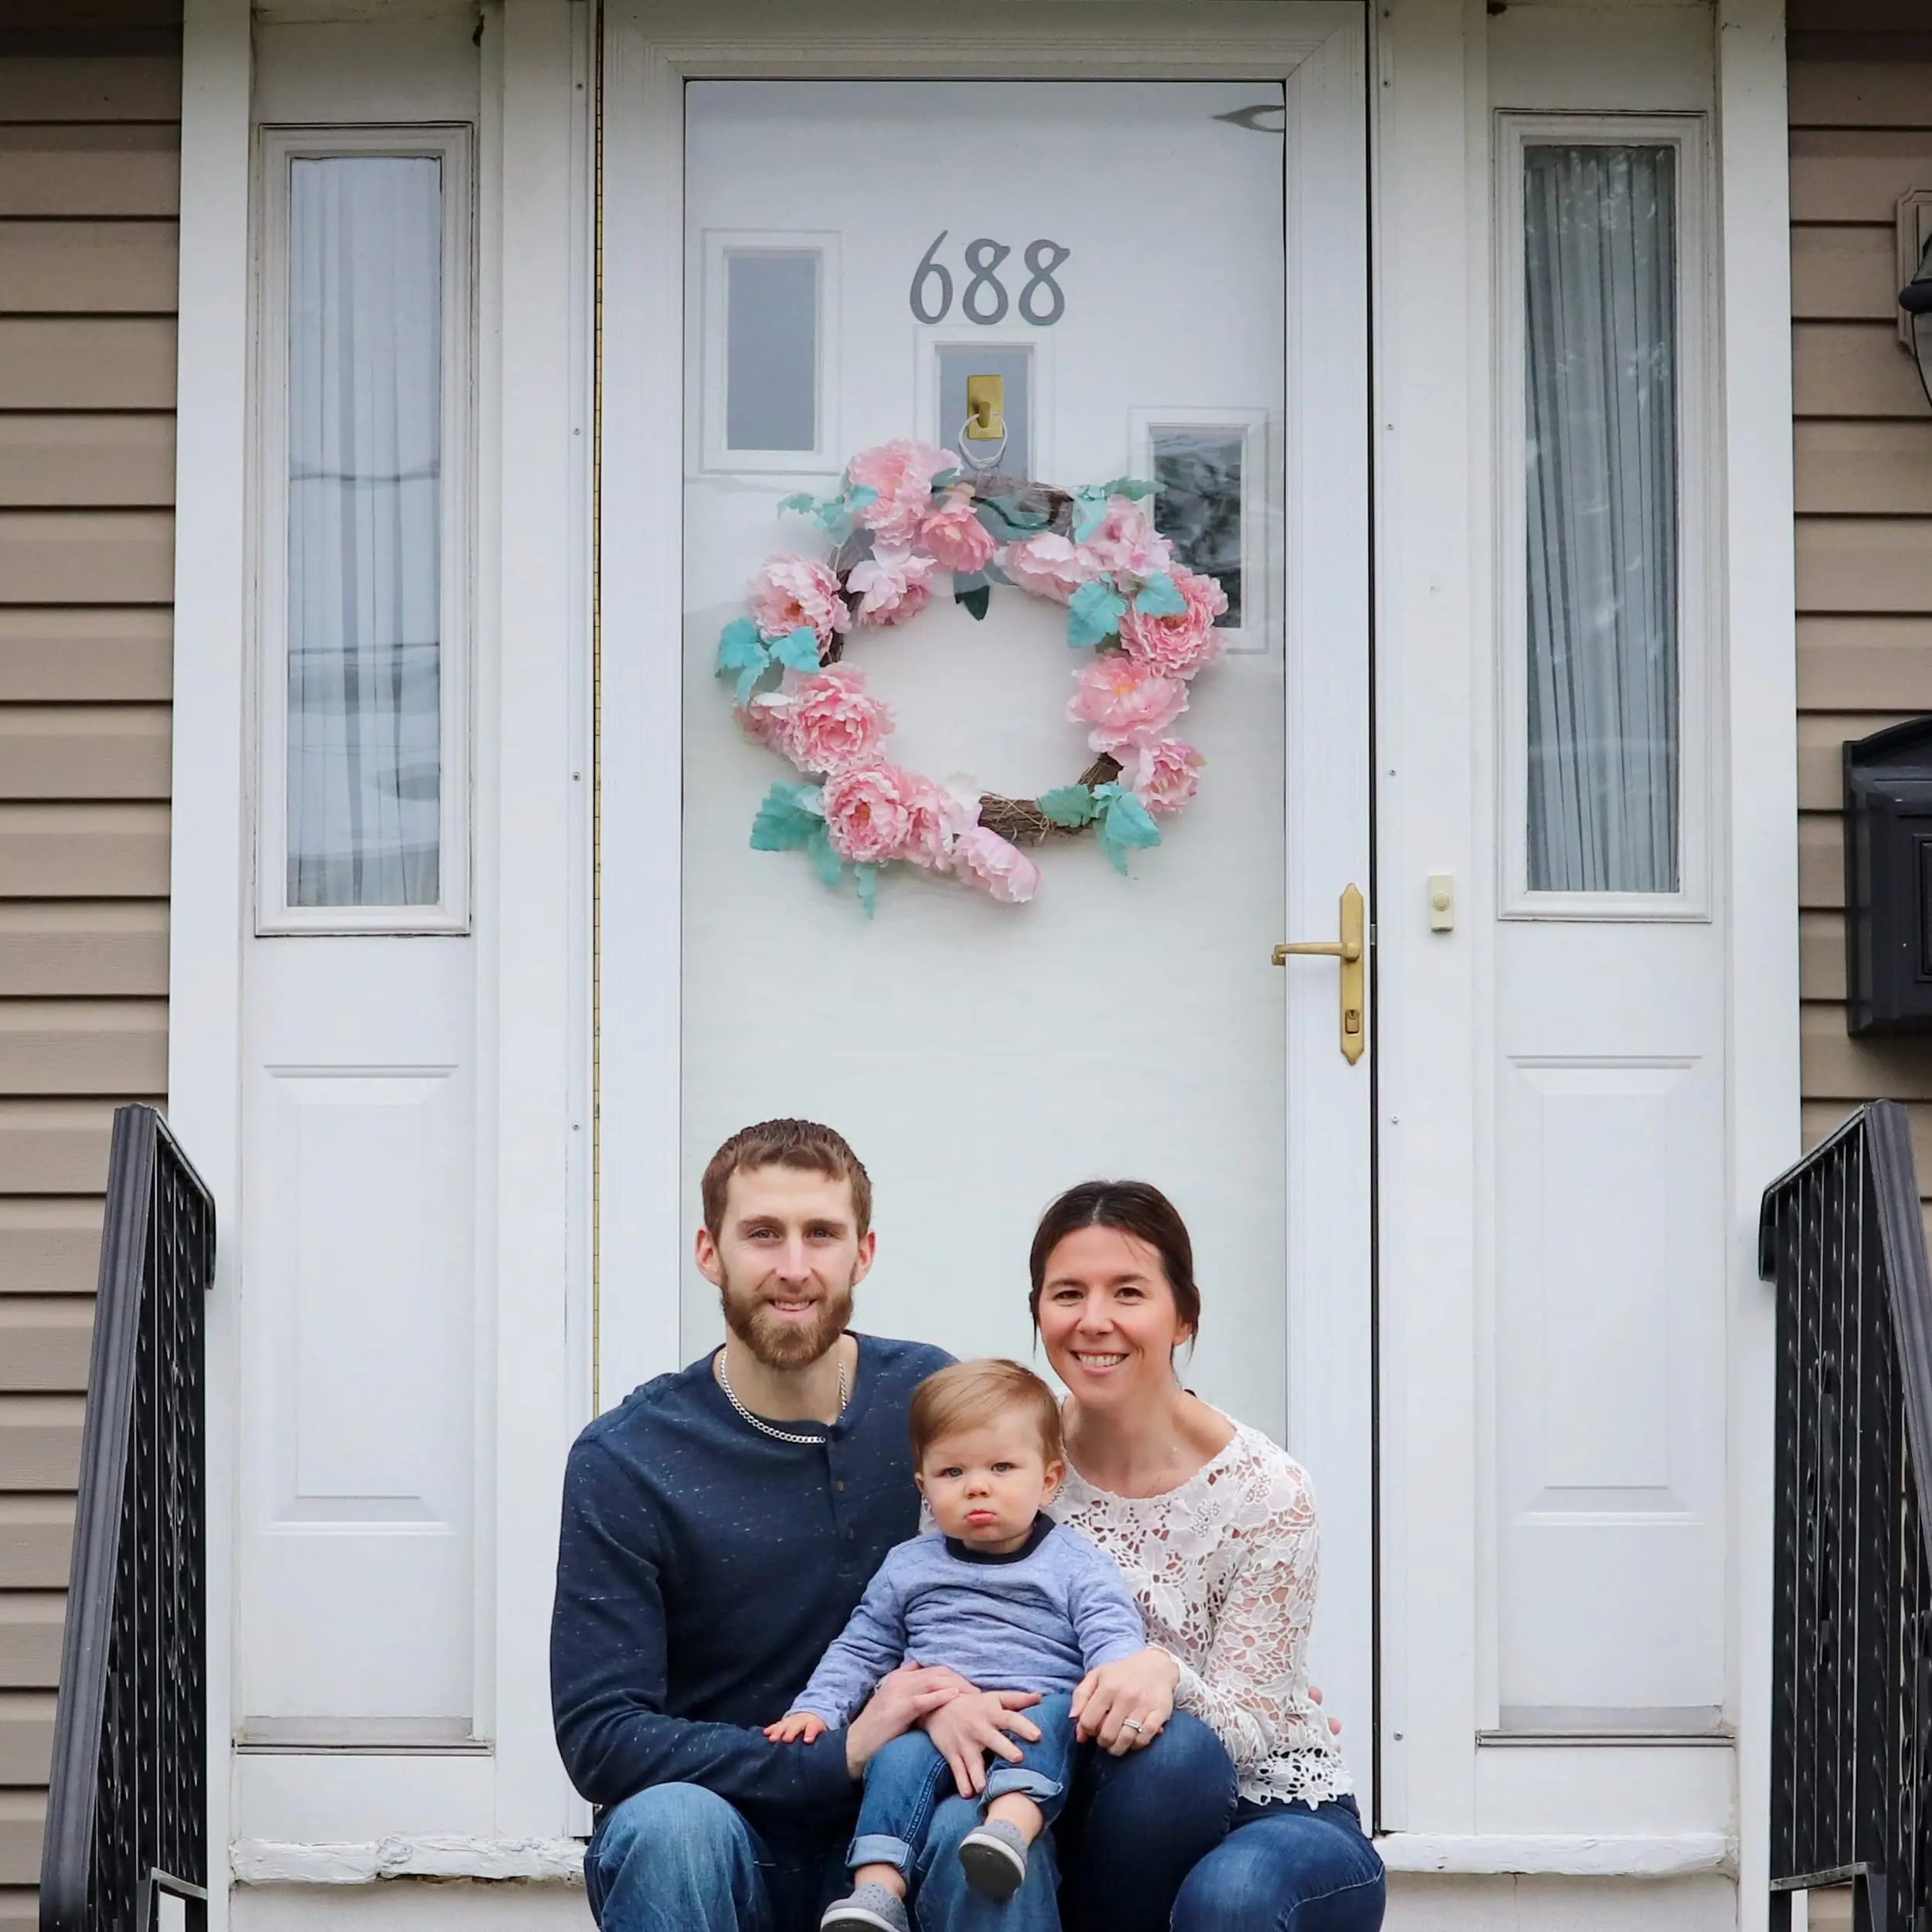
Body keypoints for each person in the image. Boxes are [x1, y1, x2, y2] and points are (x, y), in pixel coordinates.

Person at [549, 1121, 1236, 1932]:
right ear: (709, 1252)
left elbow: (1068, 1519)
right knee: (667, 1826)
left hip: (919, 1823)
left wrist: (1225, 1662)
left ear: (863, 1254)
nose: (795, 1267)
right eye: (763, 1234)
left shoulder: (928, 1399)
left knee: (967, 1831)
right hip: (727, 1837)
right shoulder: (628, 1458)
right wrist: (836, 1751)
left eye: (822, 1235)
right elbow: (602, 1736)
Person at [1032, 1179, 1386, 1932]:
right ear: (1038, 1309)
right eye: (1067, 1293)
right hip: (1084, 1807)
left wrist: (1166, 1675)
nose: (1094, 1320)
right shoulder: (1003, 1471)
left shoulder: (1265, 1490)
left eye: (1128, 1291)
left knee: (1222, 1872)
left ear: (1182, 1315)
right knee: (1159, 1766)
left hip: (1275, 1811)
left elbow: (1248, 1731)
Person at [768, 1360, 1145, 1932]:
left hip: (1031, 1711)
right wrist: (817, 1708)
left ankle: (1007, 1833)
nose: (977, 1486)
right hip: (932, 1725)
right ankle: (876, 1892)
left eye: (1001, 1467)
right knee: (894, 1757)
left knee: (1045, 1719)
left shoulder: (1074, 1564)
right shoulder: (909, 1566)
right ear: (923, 1486)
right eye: (951, 1472)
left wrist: (1118, 1679)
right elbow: (862, 1645)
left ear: (1048, 1480)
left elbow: (1111, 1633)